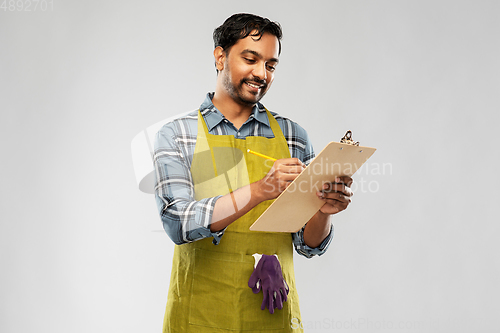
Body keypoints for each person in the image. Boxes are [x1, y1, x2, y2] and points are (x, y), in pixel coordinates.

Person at [153, 13, 353, 333]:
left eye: (271, 65)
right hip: (200, 315)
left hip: (272, 317)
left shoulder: (293, 136)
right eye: (250, 59)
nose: (261, 73)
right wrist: (262, 189)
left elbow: (307, 244)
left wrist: (323, 210)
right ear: (220, 56)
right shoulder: (178, 135)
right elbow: (179, 222)